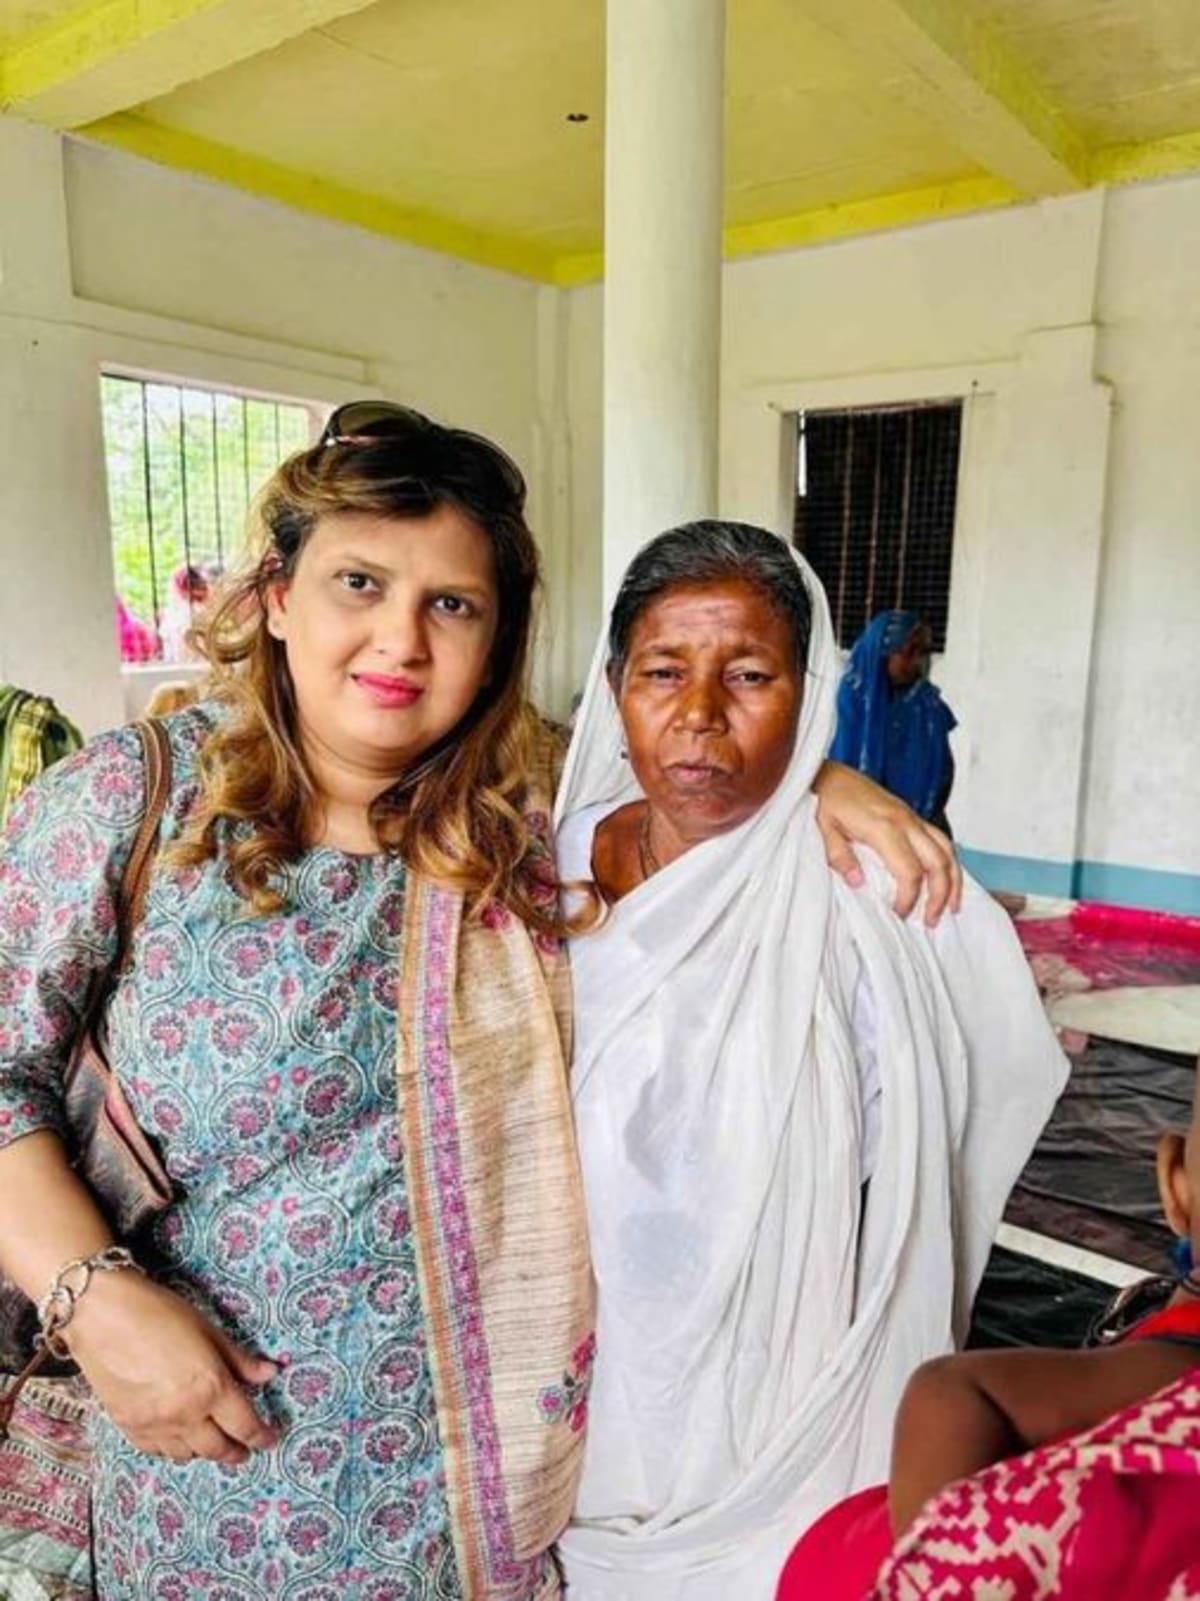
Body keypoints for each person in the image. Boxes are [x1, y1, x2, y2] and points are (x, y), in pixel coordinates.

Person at [0, 406, 957, 1601]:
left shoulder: (526, 814)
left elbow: (698, 761)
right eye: (360, 581)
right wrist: (93, 1300)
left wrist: (823, 775)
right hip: (215, 1477)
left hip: (487, 1506)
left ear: (496, 642)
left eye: (452, 604)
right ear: (279, 594)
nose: (399, 638)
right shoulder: (136, 805)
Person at [553, 522, 1067, 1601]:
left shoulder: (874, 893)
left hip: (782, 1390)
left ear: (810, 687)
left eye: (749, 674)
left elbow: (984, 1098)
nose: (699, 715)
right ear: (613, 687)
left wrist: (832, 785)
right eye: (662, 672)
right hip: (572, 1382)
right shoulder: (539, 871)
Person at [779, 1057, 1200, 1601]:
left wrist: (938, 1578)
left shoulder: (1172, 1372)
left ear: (1174, 1187)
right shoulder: (1172, 1375)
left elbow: (950, 1390)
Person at [831, 609, 956, 829]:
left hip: (923, 826)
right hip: (856, 828)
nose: (917, 662)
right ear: (882, 653)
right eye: (908, 652)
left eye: (923, 652)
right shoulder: (847, 704)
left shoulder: (927, 705)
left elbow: (944, 770)